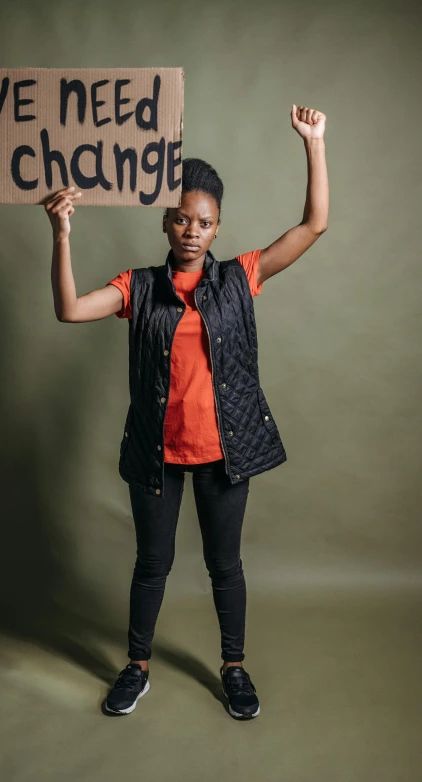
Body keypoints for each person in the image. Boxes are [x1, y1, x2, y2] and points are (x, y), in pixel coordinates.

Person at [44, 105, 329, 719]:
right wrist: (63, 235)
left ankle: (234, 668)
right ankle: (136, 667)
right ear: (165, 223)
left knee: (225, 564)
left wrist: (315, 144)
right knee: (153, 563)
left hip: (226, 452)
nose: (192, 230)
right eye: (181, 219)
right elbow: (68, 309)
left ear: (217, 227)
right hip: (157, 452)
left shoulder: (240, 278)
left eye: (204, 221)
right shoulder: (137, 287)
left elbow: (314, 224)